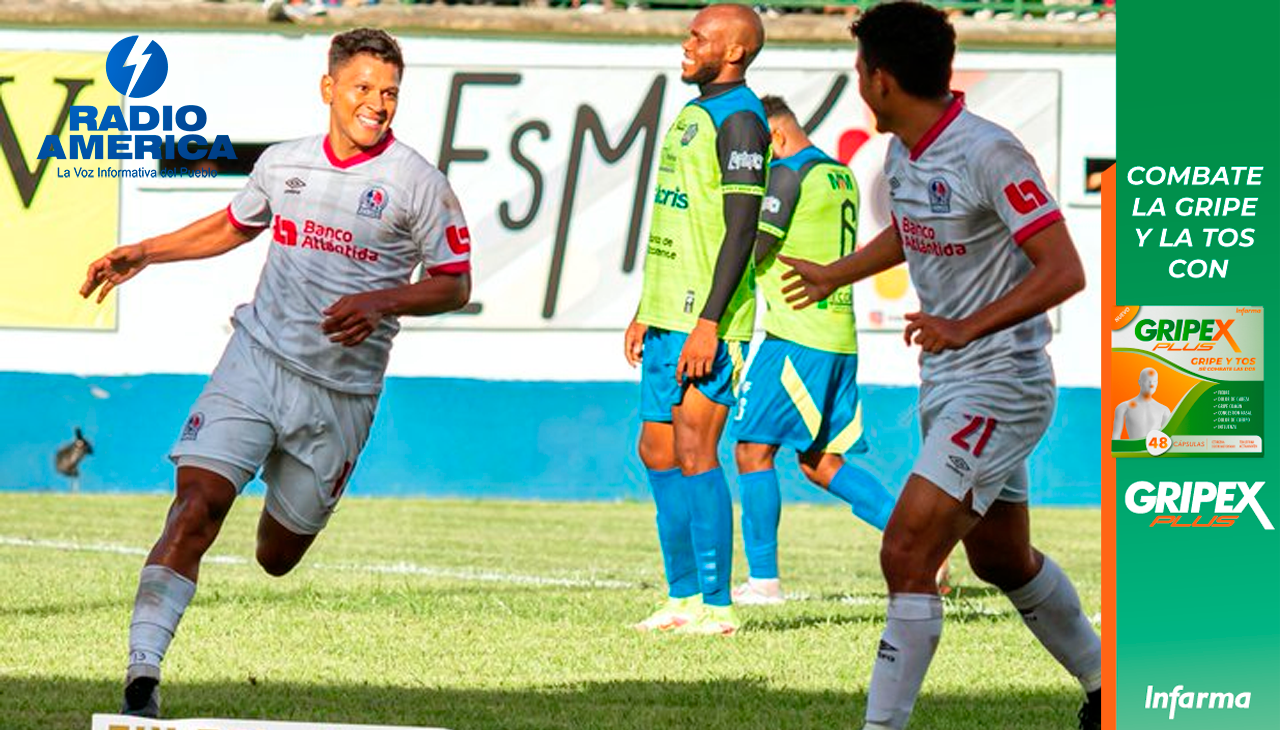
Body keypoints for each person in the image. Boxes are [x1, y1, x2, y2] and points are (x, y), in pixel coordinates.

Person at [80, 28, 473, 718]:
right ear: (329, 88)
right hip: (255, 362)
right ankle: (142, 680)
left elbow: (454, 283)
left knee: (276, 556)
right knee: (196, 507)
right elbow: (235, 224)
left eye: (389, 93)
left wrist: (382, 300)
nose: (377, 103)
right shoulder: (284, 163)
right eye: (363, 88)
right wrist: (145, 251)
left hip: (340, 394)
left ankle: (281, 479)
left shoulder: (418, 184)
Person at [778, 3, 1102, 729]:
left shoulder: (989, 152)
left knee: (906, 551)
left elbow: (1065, 270)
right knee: (1001, 561)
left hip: (1002, 384)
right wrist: (835, 274)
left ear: (882, 80)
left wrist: (965, 326)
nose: (859, 82)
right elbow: (910, 229)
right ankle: (1110, 688)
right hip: (953, 382)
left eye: (860, 69)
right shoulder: (905, 152)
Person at [623, 3, 769, 636]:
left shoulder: (741, 120)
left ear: (733, 51)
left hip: (708, 320)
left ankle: (718, 605)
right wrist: (644, 309)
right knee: (655, 449)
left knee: (694, 449)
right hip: (665, 313)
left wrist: (710, 322)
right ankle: (681, 597)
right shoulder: (694, 113)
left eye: (699, 36)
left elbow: (741, 229)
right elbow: (677, 217)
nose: (687, 43)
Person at [728, 95, 898, 606]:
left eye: (757, 147)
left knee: (752, 450)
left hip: (796, 336)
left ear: (776, 136)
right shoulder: (839, 174)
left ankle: (763, 584)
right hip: (836, 337)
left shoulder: (787, 174)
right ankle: (920, 544)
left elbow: (754, 248)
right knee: (820, 462)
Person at [1111, 367, 1169, 439]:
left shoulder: (1164, 410)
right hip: (1133, 446)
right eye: (1147, 381)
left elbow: (1169, 437)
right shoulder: (1124, 407)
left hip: (1155, 445)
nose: (1151, 384)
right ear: (1139, 382)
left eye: (1154, 381)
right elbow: (1115, 437)